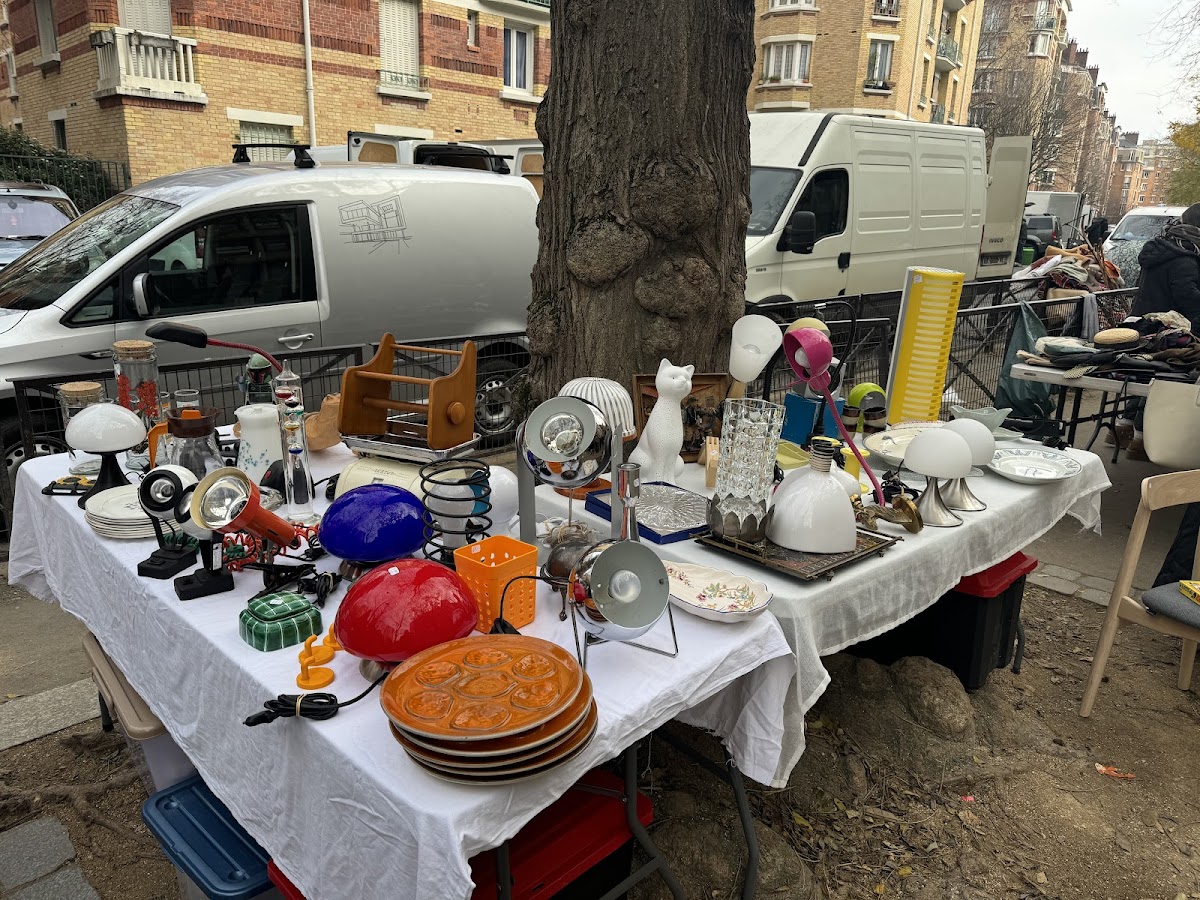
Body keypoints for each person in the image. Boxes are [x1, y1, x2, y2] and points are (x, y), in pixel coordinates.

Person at [1112, 203, 1200, 459]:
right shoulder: (1184, 256)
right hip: (1169, 330)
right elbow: (1188, 297)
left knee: (1146, 380)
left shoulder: (1163, 246)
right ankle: (1141, 438)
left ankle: (1122, 429)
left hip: (1146, 324)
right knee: (1166, 381)